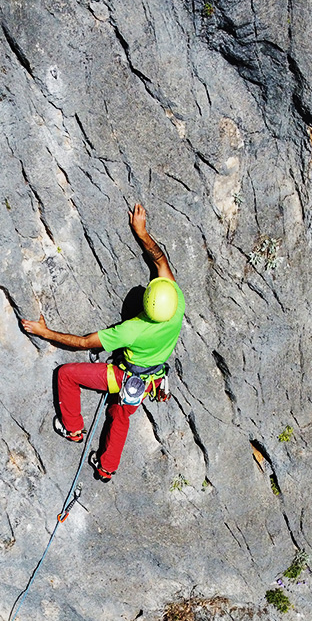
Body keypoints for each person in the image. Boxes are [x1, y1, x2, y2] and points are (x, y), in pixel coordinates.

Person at [21, 203, 185, 482]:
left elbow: (85, 343)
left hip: (123, 377)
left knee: (67, 375)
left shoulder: (131, 330)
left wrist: (45, 332)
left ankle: (73, 428)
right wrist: (141, 233)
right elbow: (160, 261)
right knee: (120, 416)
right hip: (150, 378)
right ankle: (106, 467)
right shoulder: (176, 302)